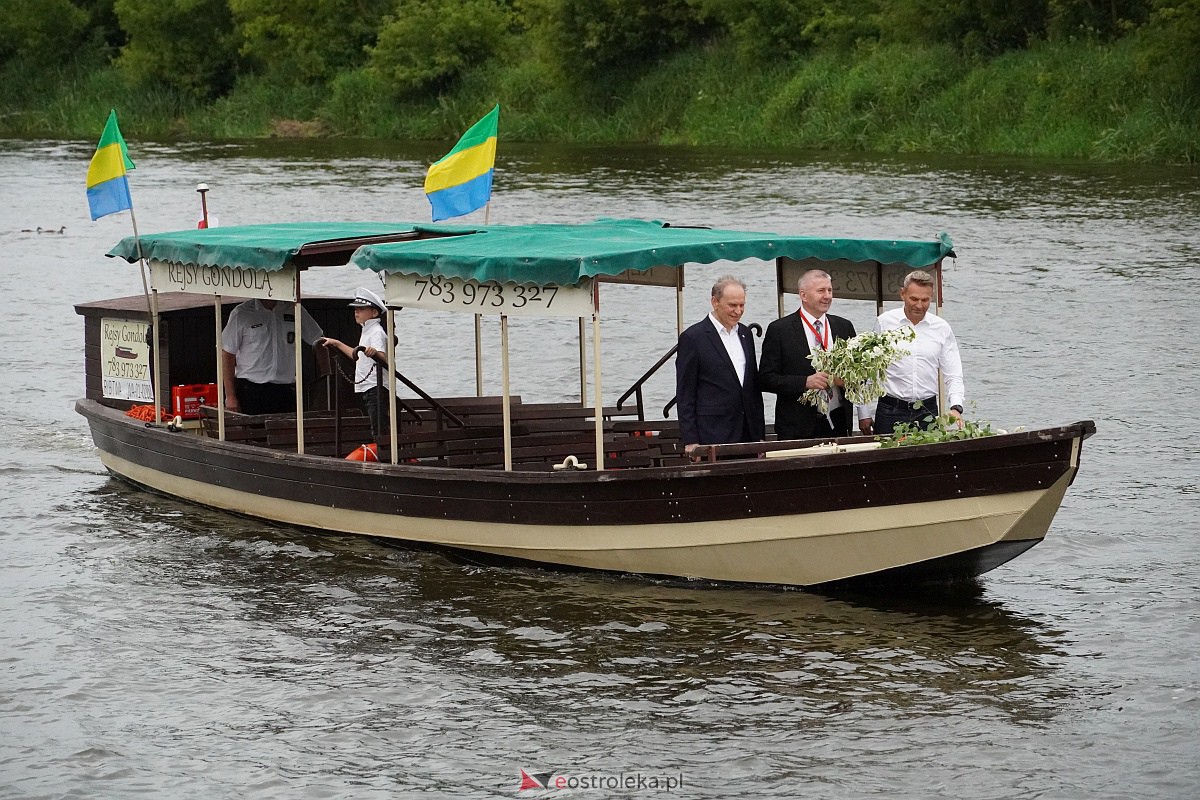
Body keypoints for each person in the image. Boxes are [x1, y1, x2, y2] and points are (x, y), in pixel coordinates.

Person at [759, 269, 864, 440]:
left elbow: (861, 374)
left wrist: (846, 380)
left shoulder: (843, 327)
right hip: (796, 426)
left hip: (837, 422)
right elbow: (766, 379)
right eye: (821, 291)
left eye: (830, 290)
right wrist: (805, 382)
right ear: (804, 295)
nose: (827, 296)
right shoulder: (780, 330)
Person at [861, 270, 965, 436]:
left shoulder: (942, 328)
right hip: (890, 409)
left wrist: (956, 407)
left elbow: (953, 374)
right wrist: (863, 413)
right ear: (902, 294)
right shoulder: (885, 322)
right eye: (914, 299)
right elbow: (867, 370)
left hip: (927, 410)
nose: (919, 305)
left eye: (925, 300)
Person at [676, 275, 766, 456]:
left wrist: (759, 435)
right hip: (713, 433)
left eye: (742, 305)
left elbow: (752, 388)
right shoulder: (693, 338)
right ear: (715, 302)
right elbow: (685, 393)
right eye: (732, 305)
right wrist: (691, 440)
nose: (738, 311)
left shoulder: (746, 335)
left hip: (747, 432)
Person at [221, 297, 323, 415]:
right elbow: (228, 353)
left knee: (287, 432)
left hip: (285, 390)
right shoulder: (241, 312)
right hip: (252, 390)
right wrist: (230, 396)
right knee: (255, 432)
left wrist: (327, 373)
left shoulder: (294, 308)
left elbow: (318, 339)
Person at [317, 287, 394, 441]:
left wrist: (375, 353)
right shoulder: (366, 331)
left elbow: (384, 358)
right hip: (368, 385)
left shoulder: (376, 331)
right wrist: (337, 343)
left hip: (375, 385)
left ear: (374, 313)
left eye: (361, 309)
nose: (356, 312)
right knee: (374, 423)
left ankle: (383, 452)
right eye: (355, 309)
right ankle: (379, 448)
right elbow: (357, 355)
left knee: (379, 426)